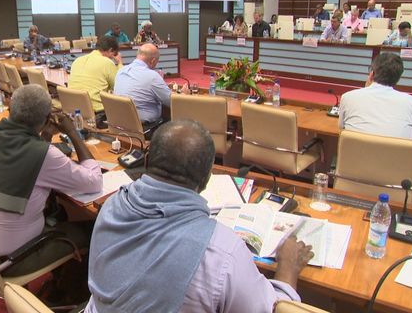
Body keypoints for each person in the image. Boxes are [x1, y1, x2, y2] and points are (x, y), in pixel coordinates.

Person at [86, 120, 314, 313]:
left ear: (145, 163)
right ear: (206, 181)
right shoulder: (222, 251)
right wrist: (288, 269)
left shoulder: (111, 205)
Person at [0, 84, 102, 299]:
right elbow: (93, 181)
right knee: (95, 226)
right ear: (48, 118)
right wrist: (73, 133)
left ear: (10, 108)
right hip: (15, 254)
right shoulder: (44, 154)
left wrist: (43, 135)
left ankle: (63, 278)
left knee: (58, 210)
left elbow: (29, 163)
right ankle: (73, 292)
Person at [339, 53, 412, 146]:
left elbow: (342, 128)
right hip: (396, 160)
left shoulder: (348, 97)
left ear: (371, 74)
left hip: (353, 159)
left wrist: (367, 88)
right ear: (398, 78)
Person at [114, 43, 188, 124]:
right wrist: (183, 95)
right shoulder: (153, 76)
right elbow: (173, 103)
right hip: (145, 126)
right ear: (152, 61)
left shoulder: (121, 70)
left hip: (120, 121)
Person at [68, 35, 123, 116]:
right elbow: (120, 85)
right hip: (97, 113)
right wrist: (120, 63)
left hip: (74, 112)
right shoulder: (107, 62)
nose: (112, 58)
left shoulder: (77, 60)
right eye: (113, 55)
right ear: (111, 50)